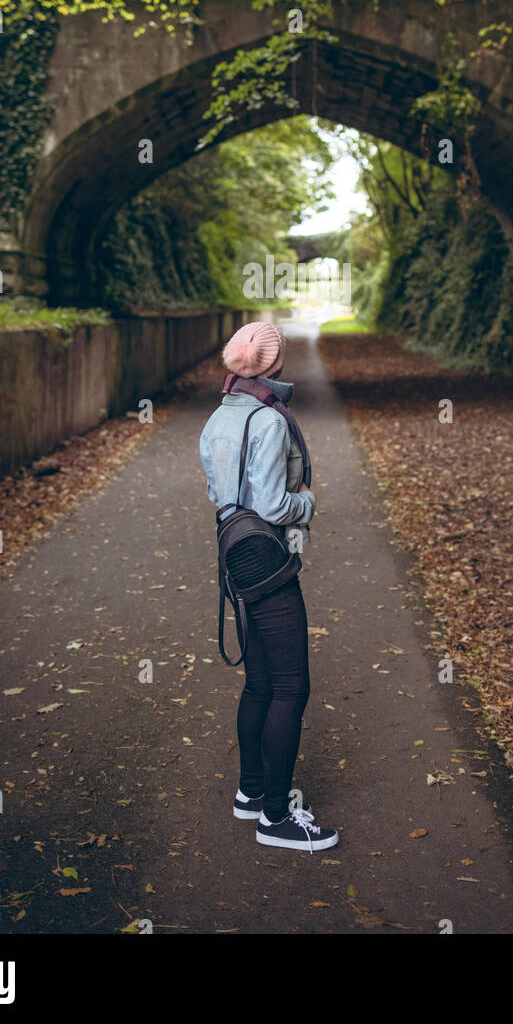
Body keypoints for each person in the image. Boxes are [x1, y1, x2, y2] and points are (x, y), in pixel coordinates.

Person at [199, 320, 339, 852]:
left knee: (259, 680)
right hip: (269, 558)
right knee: (291, 687)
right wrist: (308, 502)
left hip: (234, 554)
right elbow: (275, 505)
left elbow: (220, 492)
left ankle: (251, 793)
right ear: (275, 364)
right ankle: (276, 818)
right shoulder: (271, 421)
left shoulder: (217, 417)